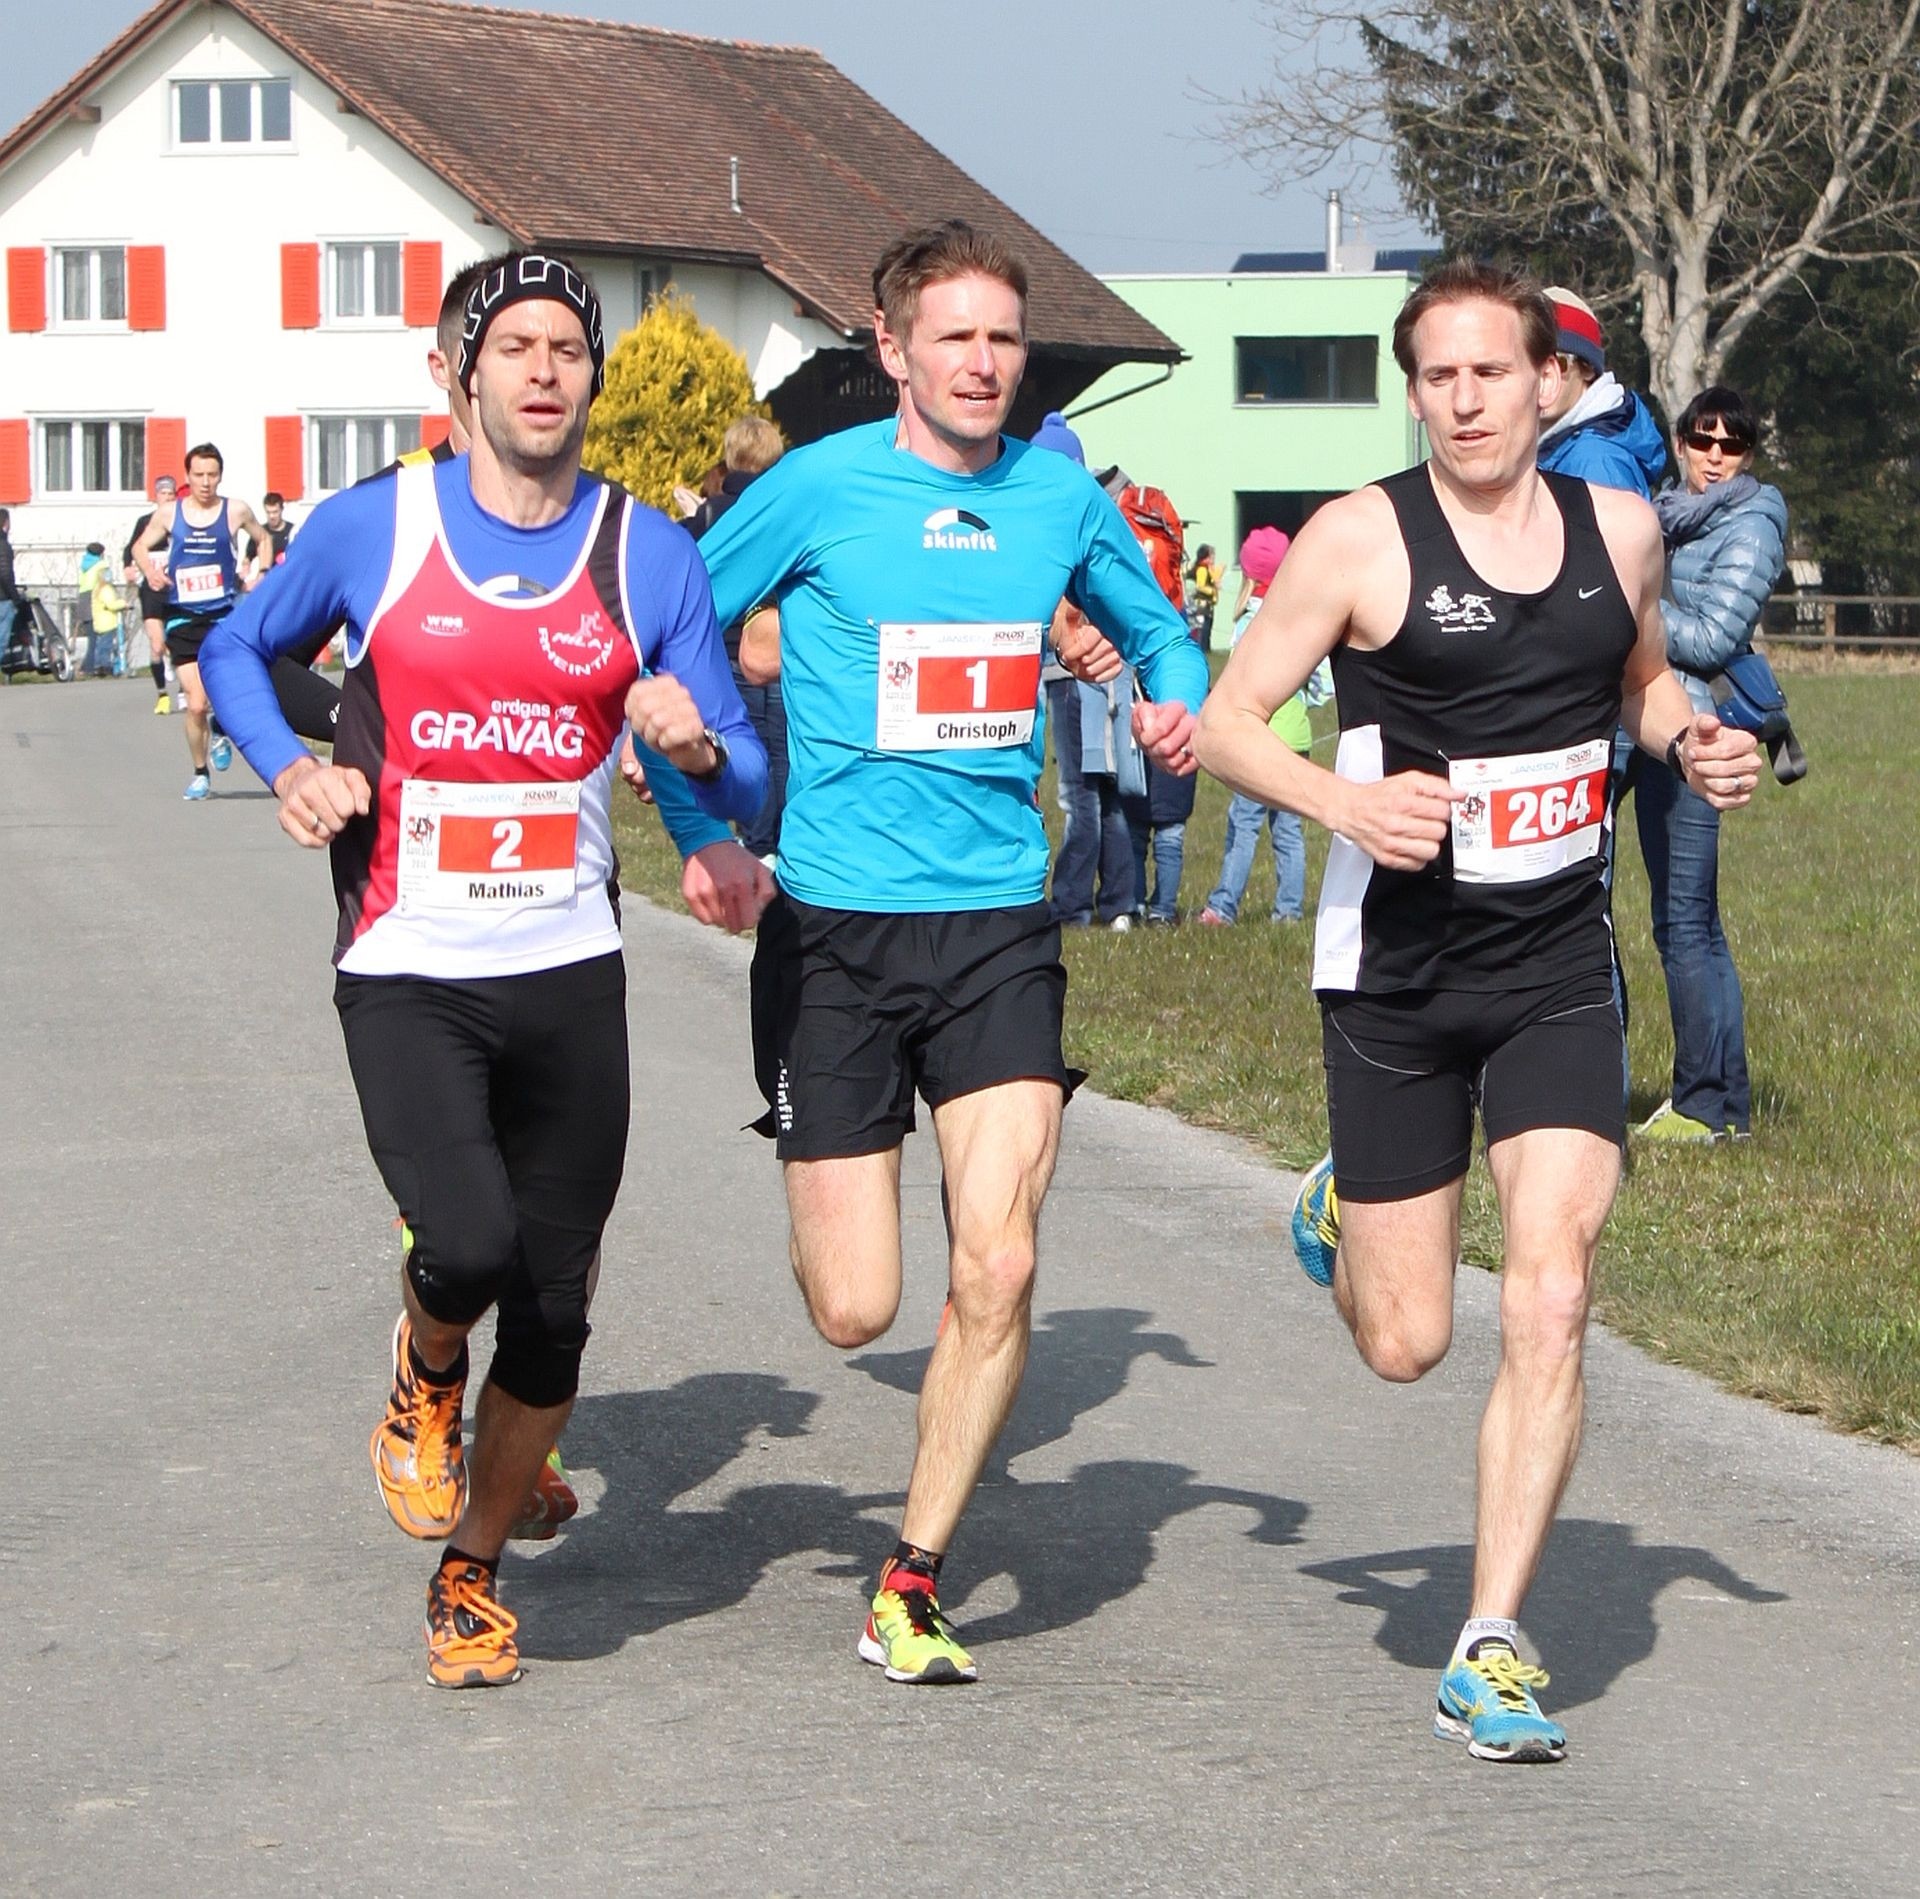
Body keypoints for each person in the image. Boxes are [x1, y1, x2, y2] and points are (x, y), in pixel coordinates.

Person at [1193, 259, 1760, 1762]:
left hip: (1558, 966)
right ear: (1415, 387)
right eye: (1436, 376)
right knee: (1405, 1339)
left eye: (1492, 373)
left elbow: (1635, 680)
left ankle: (1492, 1638)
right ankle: (1347, 1195)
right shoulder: (1361, 539)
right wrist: (1343, 800)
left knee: (1555, 1286)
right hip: (1398, 972)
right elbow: (1226, 723)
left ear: (1545, 381)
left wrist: (1693, 736)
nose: (1465, 400)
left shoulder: (1620, 527)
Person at [200, 250, 768, 1689]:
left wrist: (696, 753)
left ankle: (471, 1568)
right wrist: (287, 769)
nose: (538, 371)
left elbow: (741, 766)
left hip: (570, 967)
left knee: (560, 1298)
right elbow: (234, 645)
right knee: (466, 1242)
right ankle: (426, 1365)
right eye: (508, 346)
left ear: (589, 376)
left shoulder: (650, 554)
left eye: (562, 348)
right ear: (458, 376)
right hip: (409, 959)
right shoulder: (374, 525)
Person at [692, 218, 1205, 1684]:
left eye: (1003, 338)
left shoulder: (1059, 499)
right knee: (857, 1307)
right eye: (957, 337)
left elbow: (1162, 633)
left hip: (997, 927)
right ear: (893, 347)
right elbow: (666, 616)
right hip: (837, 931)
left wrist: (1170, 695)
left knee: (1005, 1254)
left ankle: (909, 1573)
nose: (983, 362)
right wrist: (710, 782)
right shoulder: (815, 488)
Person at [1629, 385, 1785, 1142]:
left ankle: (1700, 1104)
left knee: (1684, 923)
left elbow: (1718, 638)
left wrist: (1630, 608)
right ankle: (1728, 1109)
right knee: (1695, 922)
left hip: (1699, 733)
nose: (1713, 457)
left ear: (1749, 452)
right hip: (1656, 726)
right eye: (1701, 439)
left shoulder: (1755, 521)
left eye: (1730, 444)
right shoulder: (1666, 510)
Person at [1033, 413, 1141, 929]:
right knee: (1110, 787)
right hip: (1115, 672)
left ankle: (1073, 903)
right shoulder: (1103, 519)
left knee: (1078, 795)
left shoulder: (1050, 527)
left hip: (1070, 676)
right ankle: (1121, 902)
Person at [132, 445, 274, 799]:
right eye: (199, 475)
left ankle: (221, 727)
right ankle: (200, 773)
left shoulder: (235, 510)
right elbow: (139, 547)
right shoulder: (169, 514)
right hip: (182, 617)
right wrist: (150, 571)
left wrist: (263, 575)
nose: (206, 482)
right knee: (195, 703)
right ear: (188, 477)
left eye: (212, 475)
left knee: (218, 694)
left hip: (223, 617)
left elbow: (264, 538)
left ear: (220, 476)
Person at [688, 415, 788, 860]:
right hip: (778, 649)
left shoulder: (707, 515)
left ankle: (755, 842)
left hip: (722, 656)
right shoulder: (785, 515)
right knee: (783, 750)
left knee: (744, 750)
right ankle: (780, 842)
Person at [1536, 290, 1666, 498]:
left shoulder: (1596, 462)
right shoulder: (1561, 448)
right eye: (1529, 363)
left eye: (1558, 364)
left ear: (1588, 369)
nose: (1543, 378)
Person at [124, 476, 179, 712]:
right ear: (156, 496)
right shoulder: (145, 522)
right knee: (156, 645)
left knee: (178, 642)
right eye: (163, 494)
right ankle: (163, 695)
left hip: (176, 588)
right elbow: (131, 548)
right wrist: (128, 566)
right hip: (152, 589)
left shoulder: (181, 521)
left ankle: (185, 689)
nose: (167, 497)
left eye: (171, 494)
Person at [78, 542, 125, 676]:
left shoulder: (84, 566)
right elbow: (105, 581)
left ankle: (87, 666)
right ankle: (93, 667)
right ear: (101, 553)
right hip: (97, 599)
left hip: (83, 598)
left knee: (92, 638)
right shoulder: (101, 565)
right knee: (101, 638)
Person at [0, 507, 30, 657]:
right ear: (6, 523)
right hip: (3, 598)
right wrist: (15, 598)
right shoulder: (3, 545)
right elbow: (5, 574)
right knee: (1, 640)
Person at [1186, 543, 1221, 647]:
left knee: (1207, 628)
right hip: (1202, 605)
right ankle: (1204, 648)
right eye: (1212, 556)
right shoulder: (1202, 569)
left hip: (1207, 605)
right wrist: (1212, 591)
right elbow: (1200, 586)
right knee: (1204, 630)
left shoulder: (1208, 569)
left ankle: (1206, 648)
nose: (1214, 558)